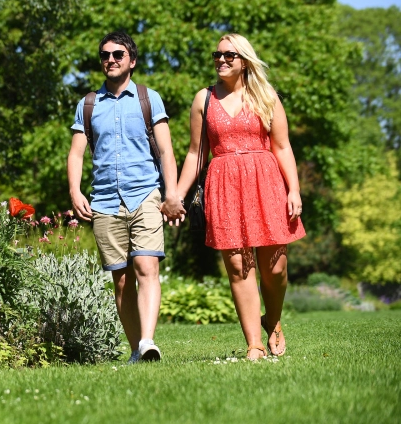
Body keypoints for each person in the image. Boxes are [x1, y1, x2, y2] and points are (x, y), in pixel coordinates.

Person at [172, 33, 306, 360]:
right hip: (224, 184)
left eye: (229, 55)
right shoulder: (204, 99)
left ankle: (272, 320)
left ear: (244, 60)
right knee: (238, 266)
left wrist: (294, 189)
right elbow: (194, 152)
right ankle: (254, 344)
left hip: (266, 181)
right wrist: (176, 193)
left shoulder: (266, 96)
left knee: (275, 268)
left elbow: (283, 146)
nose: (221, 60)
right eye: (217, 54)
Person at [68, 31, 185, 363]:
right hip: (104, 200)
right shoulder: (88, 105)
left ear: (131, 61)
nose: (111, 60)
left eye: (118, 54)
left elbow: (165, 150)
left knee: (146, 265)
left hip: (145, 193)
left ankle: (148, 341)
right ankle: (137, 350)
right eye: (105, 55)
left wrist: (172, 193)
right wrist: (75, 191)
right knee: (121, 281)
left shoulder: (149, 98)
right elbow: (76, 154)